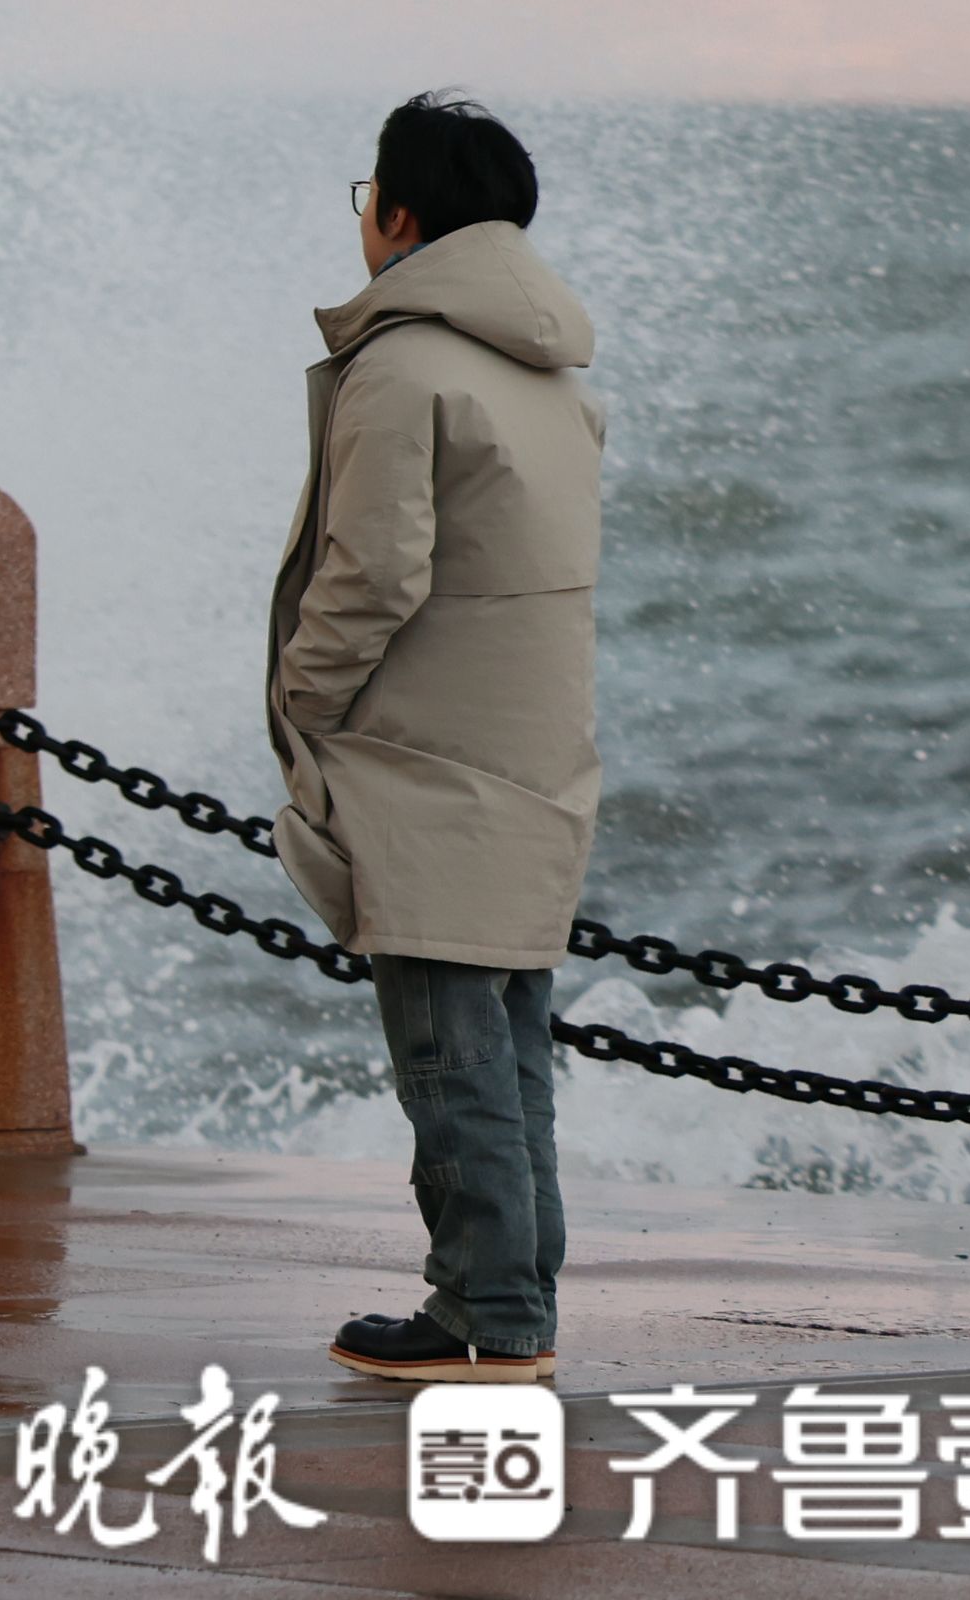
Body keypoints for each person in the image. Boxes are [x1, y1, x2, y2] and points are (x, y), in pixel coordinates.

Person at [268, 90, 604, 1386]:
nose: (366, 223)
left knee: (447, 1053)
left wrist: (307, 696)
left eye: (371, 199)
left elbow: (377, 573)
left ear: (400, 217)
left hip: (422, 756)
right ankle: (517, 1298)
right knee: (510, 1053)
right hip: (531, 748)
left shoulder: (403, 365)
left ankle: (484, 1319)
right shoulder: (553, 378)